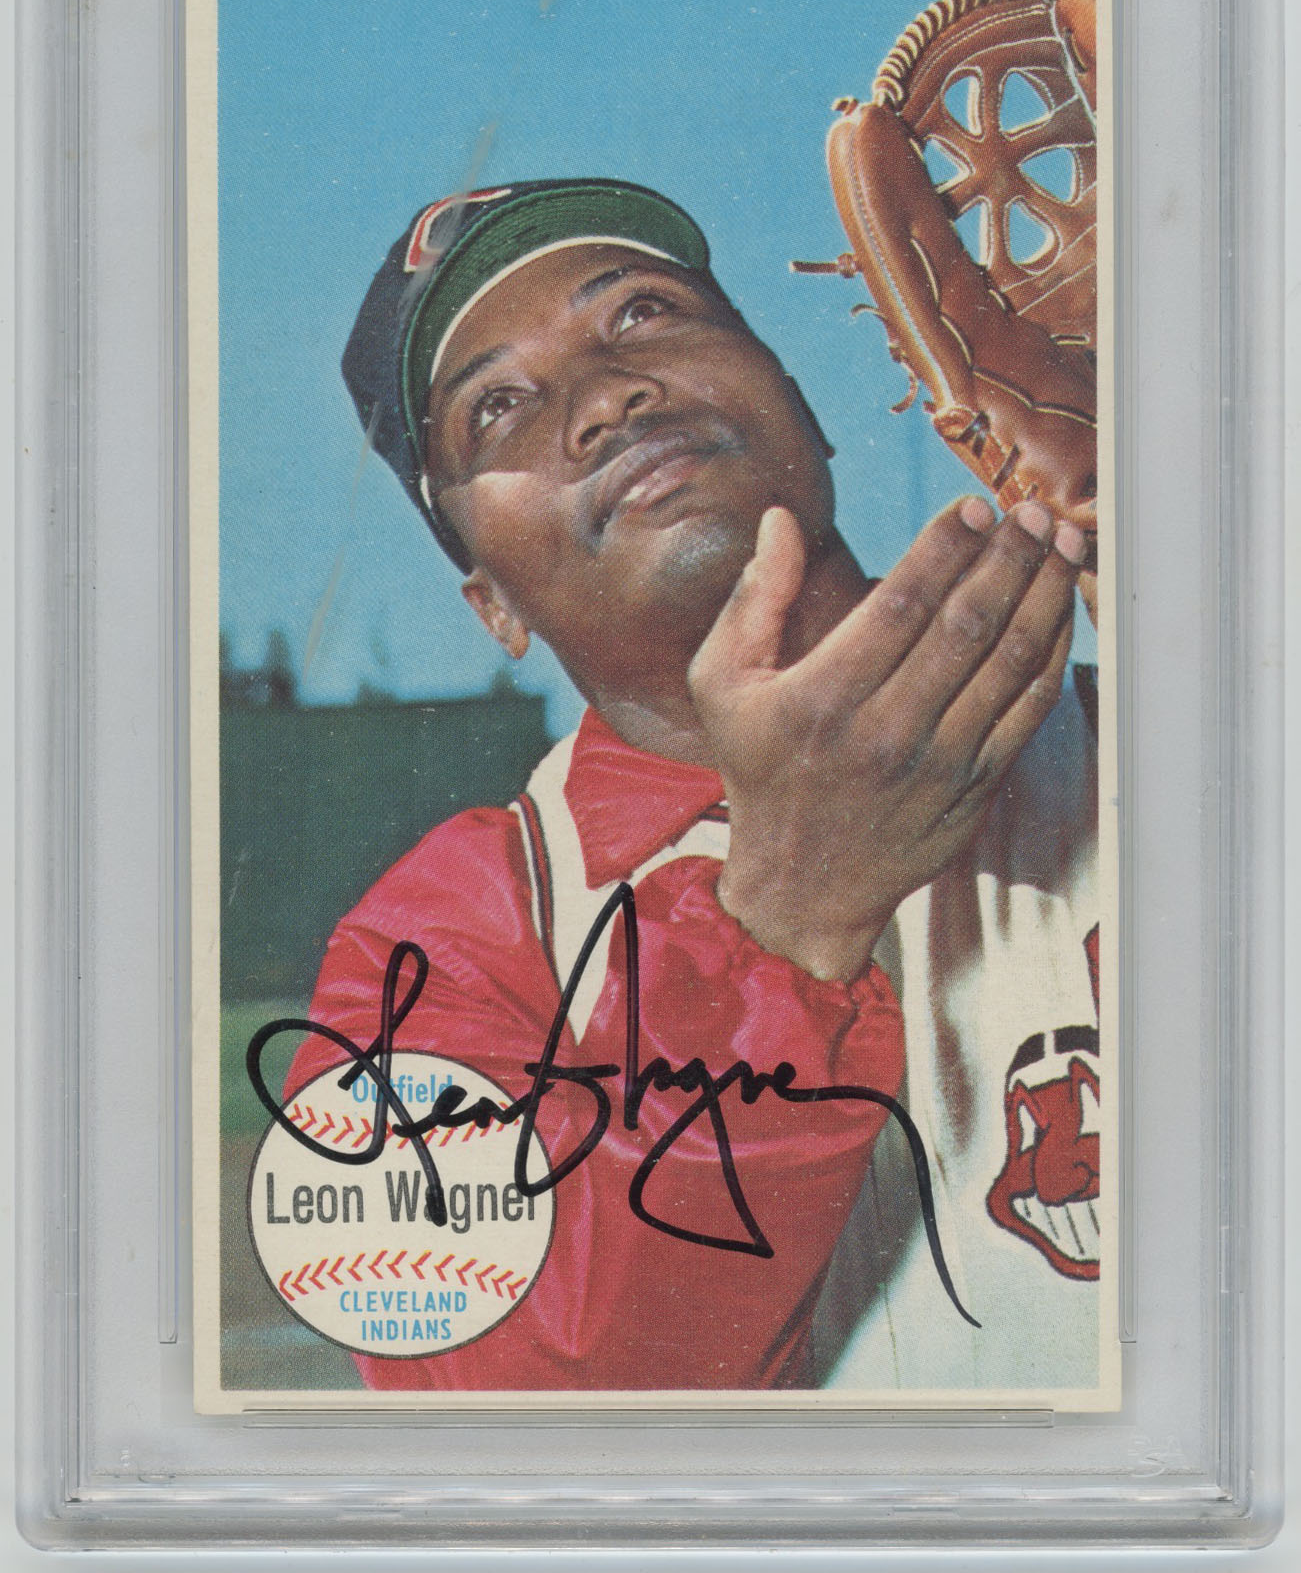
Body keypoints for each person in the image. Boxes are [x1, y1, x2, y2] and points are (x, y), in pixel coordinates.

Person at [282, 177, 1093, 1393]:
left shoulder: (1176, 734)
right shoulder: (435, 946)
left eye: (643, 313)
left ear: (802, 407)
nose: (604, 396)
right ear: (491, 604)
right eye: (495, 406)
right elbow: (513, 1420)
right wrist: (781, 921)